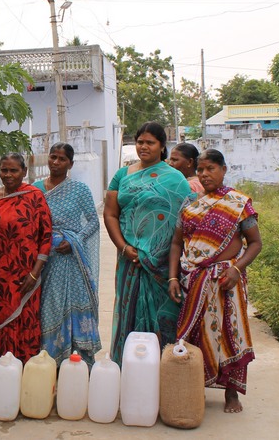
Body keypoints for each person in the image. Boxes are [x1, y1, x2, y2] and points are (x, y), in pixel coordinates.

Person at [168, 149, 261, 414]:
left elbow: (255, 244)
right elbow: (176, 243)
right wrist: (174, 276)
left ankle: (231, 393)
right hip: (194, 280)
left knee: (231, 334)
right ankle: (196, 385)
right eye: (200, 170)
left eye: (210, 169)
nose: (205, 174)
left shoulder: (239, 203)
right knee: (196, 334)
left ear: (223, 170)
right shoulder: (190, 205)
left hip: (226, 281)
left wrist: (236, 269)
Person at [104, 122, 192, 364]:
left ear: (162, 146)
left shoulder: (175, 179)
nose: (143, 147)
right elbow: (110, 214)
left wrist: (156, 253)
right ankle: (128, 366)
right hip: (128, 259)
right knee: (127, 312)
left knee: (165, 315)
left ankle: (166, 368)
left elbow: (186, 221)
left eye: (150, 142)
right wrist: (123, 247)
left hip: (161, 264)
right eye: (140, 142)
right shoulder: (122, 175)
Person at [0, 152, 52, 365]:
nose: (7, 175)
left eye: (13, 170)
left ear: (24, 172)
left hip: (25, 277)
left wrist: (35, 274)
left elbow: (46, 237)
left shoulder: (35, 197)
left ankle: (25, 370)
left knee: (25, 321)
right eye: (4, 170)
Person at [32, 143, 101, 366]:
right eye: (53, 157)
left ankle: (78, 360)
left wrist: (75, 241)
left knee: (76, 304)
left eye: (62, 159)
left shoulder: (80, 190)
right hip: (45, 259)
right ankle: (50, 360)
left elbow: (92, 221)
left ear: (70, 164)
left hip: (72, 259)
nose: (56, 162)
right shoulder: (35, 189)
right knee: (49, 306)